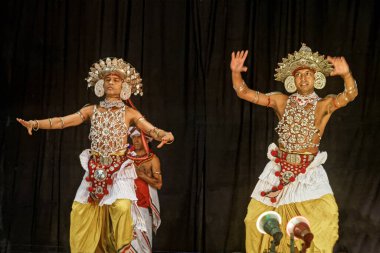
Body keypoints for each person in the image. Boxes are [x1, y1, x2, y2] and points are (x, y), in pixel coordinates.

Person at [17, 57, 174, 253]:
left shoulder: (130, 114)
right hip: (95, 170)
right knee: (80, 211)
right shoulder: (92, 110)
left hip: (118, 170)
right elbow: (62, 121)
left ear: (124, 85)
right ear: (101, 83)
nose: (111, 82)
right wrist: (36, 124)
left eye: (116, 79)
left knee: (123, 208)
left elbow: (151, 130)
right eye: (107, 79)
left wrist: (165, 135)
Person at [230, 44, 358, 252]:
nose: (303, 78)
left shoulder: (323, 105)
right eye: (299, 75)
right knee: (254, 221)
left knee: (322, 221)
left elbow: (350, 94)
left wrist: (347, 75)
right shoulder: (281, 101)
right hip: (278, 171)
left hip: (308, 174)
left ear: (316, 77)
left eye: (308, 74)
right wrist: (236, 73)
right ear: (292, 79)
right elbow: (244, 92)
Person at [128, 127, 162, 252]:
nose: (135, 141)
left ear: (146, 140)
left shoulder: (153, 160)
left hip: (142, 207)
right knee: (126, 243)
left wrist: (141, 175)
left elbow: (158, 184)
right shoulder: (126, 157)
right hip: (126, 206)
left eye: (139, 137)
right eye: (133, 138)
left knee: (143, 246)